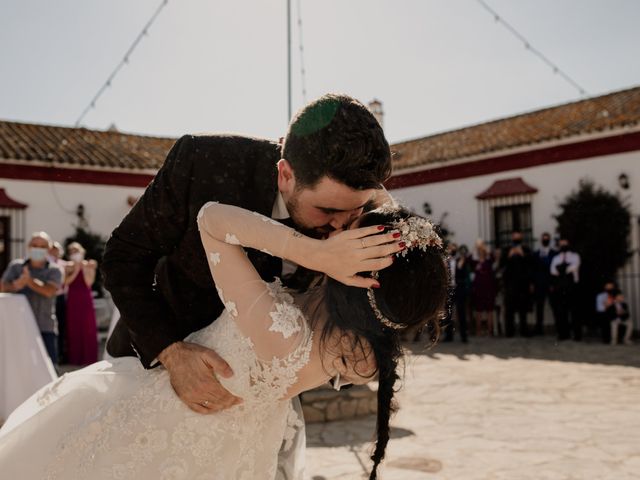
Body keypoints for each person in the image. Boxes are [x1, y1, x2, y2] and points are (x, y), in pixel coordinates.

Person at [0, 203, 449, 479]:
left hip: (168, 427)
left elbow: (211, 220)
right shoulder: (365, 351)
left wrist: (313, 253)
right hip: (235, 454)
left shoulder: (281, 331)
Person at [100, 93, 395, 478]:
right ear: (286, 174)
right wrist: (170, 353)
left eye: (354, 210)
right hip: (160, 378)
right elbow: (122, 258)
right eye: (328, 211)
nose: (341, 226)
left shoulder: (366, 208)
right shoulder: (202, 162)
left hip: (260, 413)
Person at [1, 232, 62, 363]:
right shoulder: (16, 266)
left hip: (45, 327)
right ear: (28, 247)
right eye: (35, 245)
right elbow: (3, 287)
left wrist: (29, 281)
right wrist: (16, 284)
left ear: (49, 249)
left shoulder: (55, 270)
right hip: (18, 327)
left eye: (42, 246)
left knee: (49, 369)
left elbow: (49, 291)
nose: (38, 248)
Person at [64, 242, 99, 365]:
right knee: (74, 327)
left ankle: (89, 358)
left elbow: (89, 282)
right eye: (72, 251)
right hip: (73, 299)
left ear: (82, 252)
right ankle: (75, 358)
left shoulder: (89, 266)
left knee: (87, 327)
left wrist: (83, 269)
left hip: (85, 299)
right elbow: (66, 282)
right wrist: (75, 270)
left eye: (76, 251)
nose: (75, 254)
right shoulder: (67, 266)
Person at [499, 231, 534, 337]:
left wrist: (522, 254)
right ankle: (510, 332)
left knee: (523, 308)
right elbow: (501, 264)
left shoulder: (526, 249)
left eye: (518, 238)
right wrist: (509, 255)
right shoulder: (506, 250)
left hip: (523, 283)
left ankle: (524, 330)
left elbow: (531, 264)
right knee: (509, 309)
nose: (516, 239)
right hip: (510, 284)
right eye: (514, 237)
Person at [550, 238, 581, 341]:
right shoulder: (556, 258)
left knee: (575, 311)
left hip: (572, 287)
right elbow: (553, 271)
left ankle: (577, 335)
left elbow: (574, 267)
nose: (563, 245)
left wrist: (562, 268)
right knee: (561, 312)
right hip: (560, 287)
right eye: (561, 243)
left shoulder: (575, 256)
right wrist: (564, 268)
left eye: (565, 243)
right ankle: (563, 334)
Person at [532, 232, 557, 336]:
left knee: (554, 306)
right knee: (539, 307)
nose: (545, 241)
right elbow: (533, 270)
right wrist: (533, 283)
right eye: (543, 239)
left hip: (550, 284)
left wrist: (553, 284)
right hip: (539, 284)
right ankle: (539, 329)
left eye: (547, 239)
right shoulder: (536, 254)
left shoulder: (554, 254)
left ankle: (558, 328)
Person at [471, 239, 497, 336]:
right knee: (478, 310)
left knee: (490, 310)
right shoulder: (474, 260)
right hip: (478, 288)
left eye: (481, 246)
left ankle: (490, 331)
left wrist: (484, 247)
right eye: (478, 247)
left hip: (489, 288)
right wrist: (476, 246)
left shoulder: (489, 259)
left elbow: (493, 257)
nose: (480, 249)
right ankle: (479, 331)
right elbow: (470, 258)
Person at [48, 241, 68, 363]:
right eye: (52, 249)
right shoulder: (47, 263)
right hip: (48, 297)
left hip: (60, 298)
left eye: (56, 249)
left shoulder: (63, 264)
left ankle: (60, 354)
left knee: (60, 326)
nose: (54, 251)